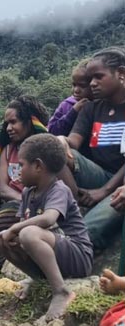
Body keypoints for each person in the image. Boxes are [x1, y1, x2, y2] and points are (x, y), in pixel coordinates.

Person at [0, 134, 93, 322]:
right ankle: (38, 279)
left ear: (38, 166)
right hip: (54, 251)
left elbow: (49, 219)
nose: (17, 172)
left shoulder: (59, 189)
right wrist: (11, 233)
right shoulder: (27, 193)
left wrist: (16, 227)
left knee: (28, 233)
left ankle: (61, 292)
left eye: (21, 165)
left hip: (77, 255)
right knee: (2, 240)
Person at [0, 96, 49, 274]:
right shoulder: (8, 151)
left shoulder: (45, 150)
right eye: (6, 123)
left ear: (30, 121)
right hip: (14, 203)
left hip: (41, 206)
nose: (8, 128)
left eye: (13, 122)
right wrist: (26, 203)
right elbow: (3, 188)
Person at [61, 46, 125, 251]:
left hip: (120, 184)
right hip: (98, 175)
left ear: (121, 74)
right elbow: (73, 143)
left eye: (99, 76)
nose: (93, 84)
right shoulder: (91, 108)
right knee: (51, 148)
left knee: (87, 233)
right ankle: (74, 209)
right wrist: (61, 141)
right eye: (90, 79)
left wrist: (103, 192)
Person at [47, 60, 93, 136]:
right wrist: (73, 112)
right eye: (74, 85)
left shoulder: (101, 106)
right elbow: (51, 131)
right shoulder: (66, 105)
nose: (76, 90)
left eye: (82, 86)